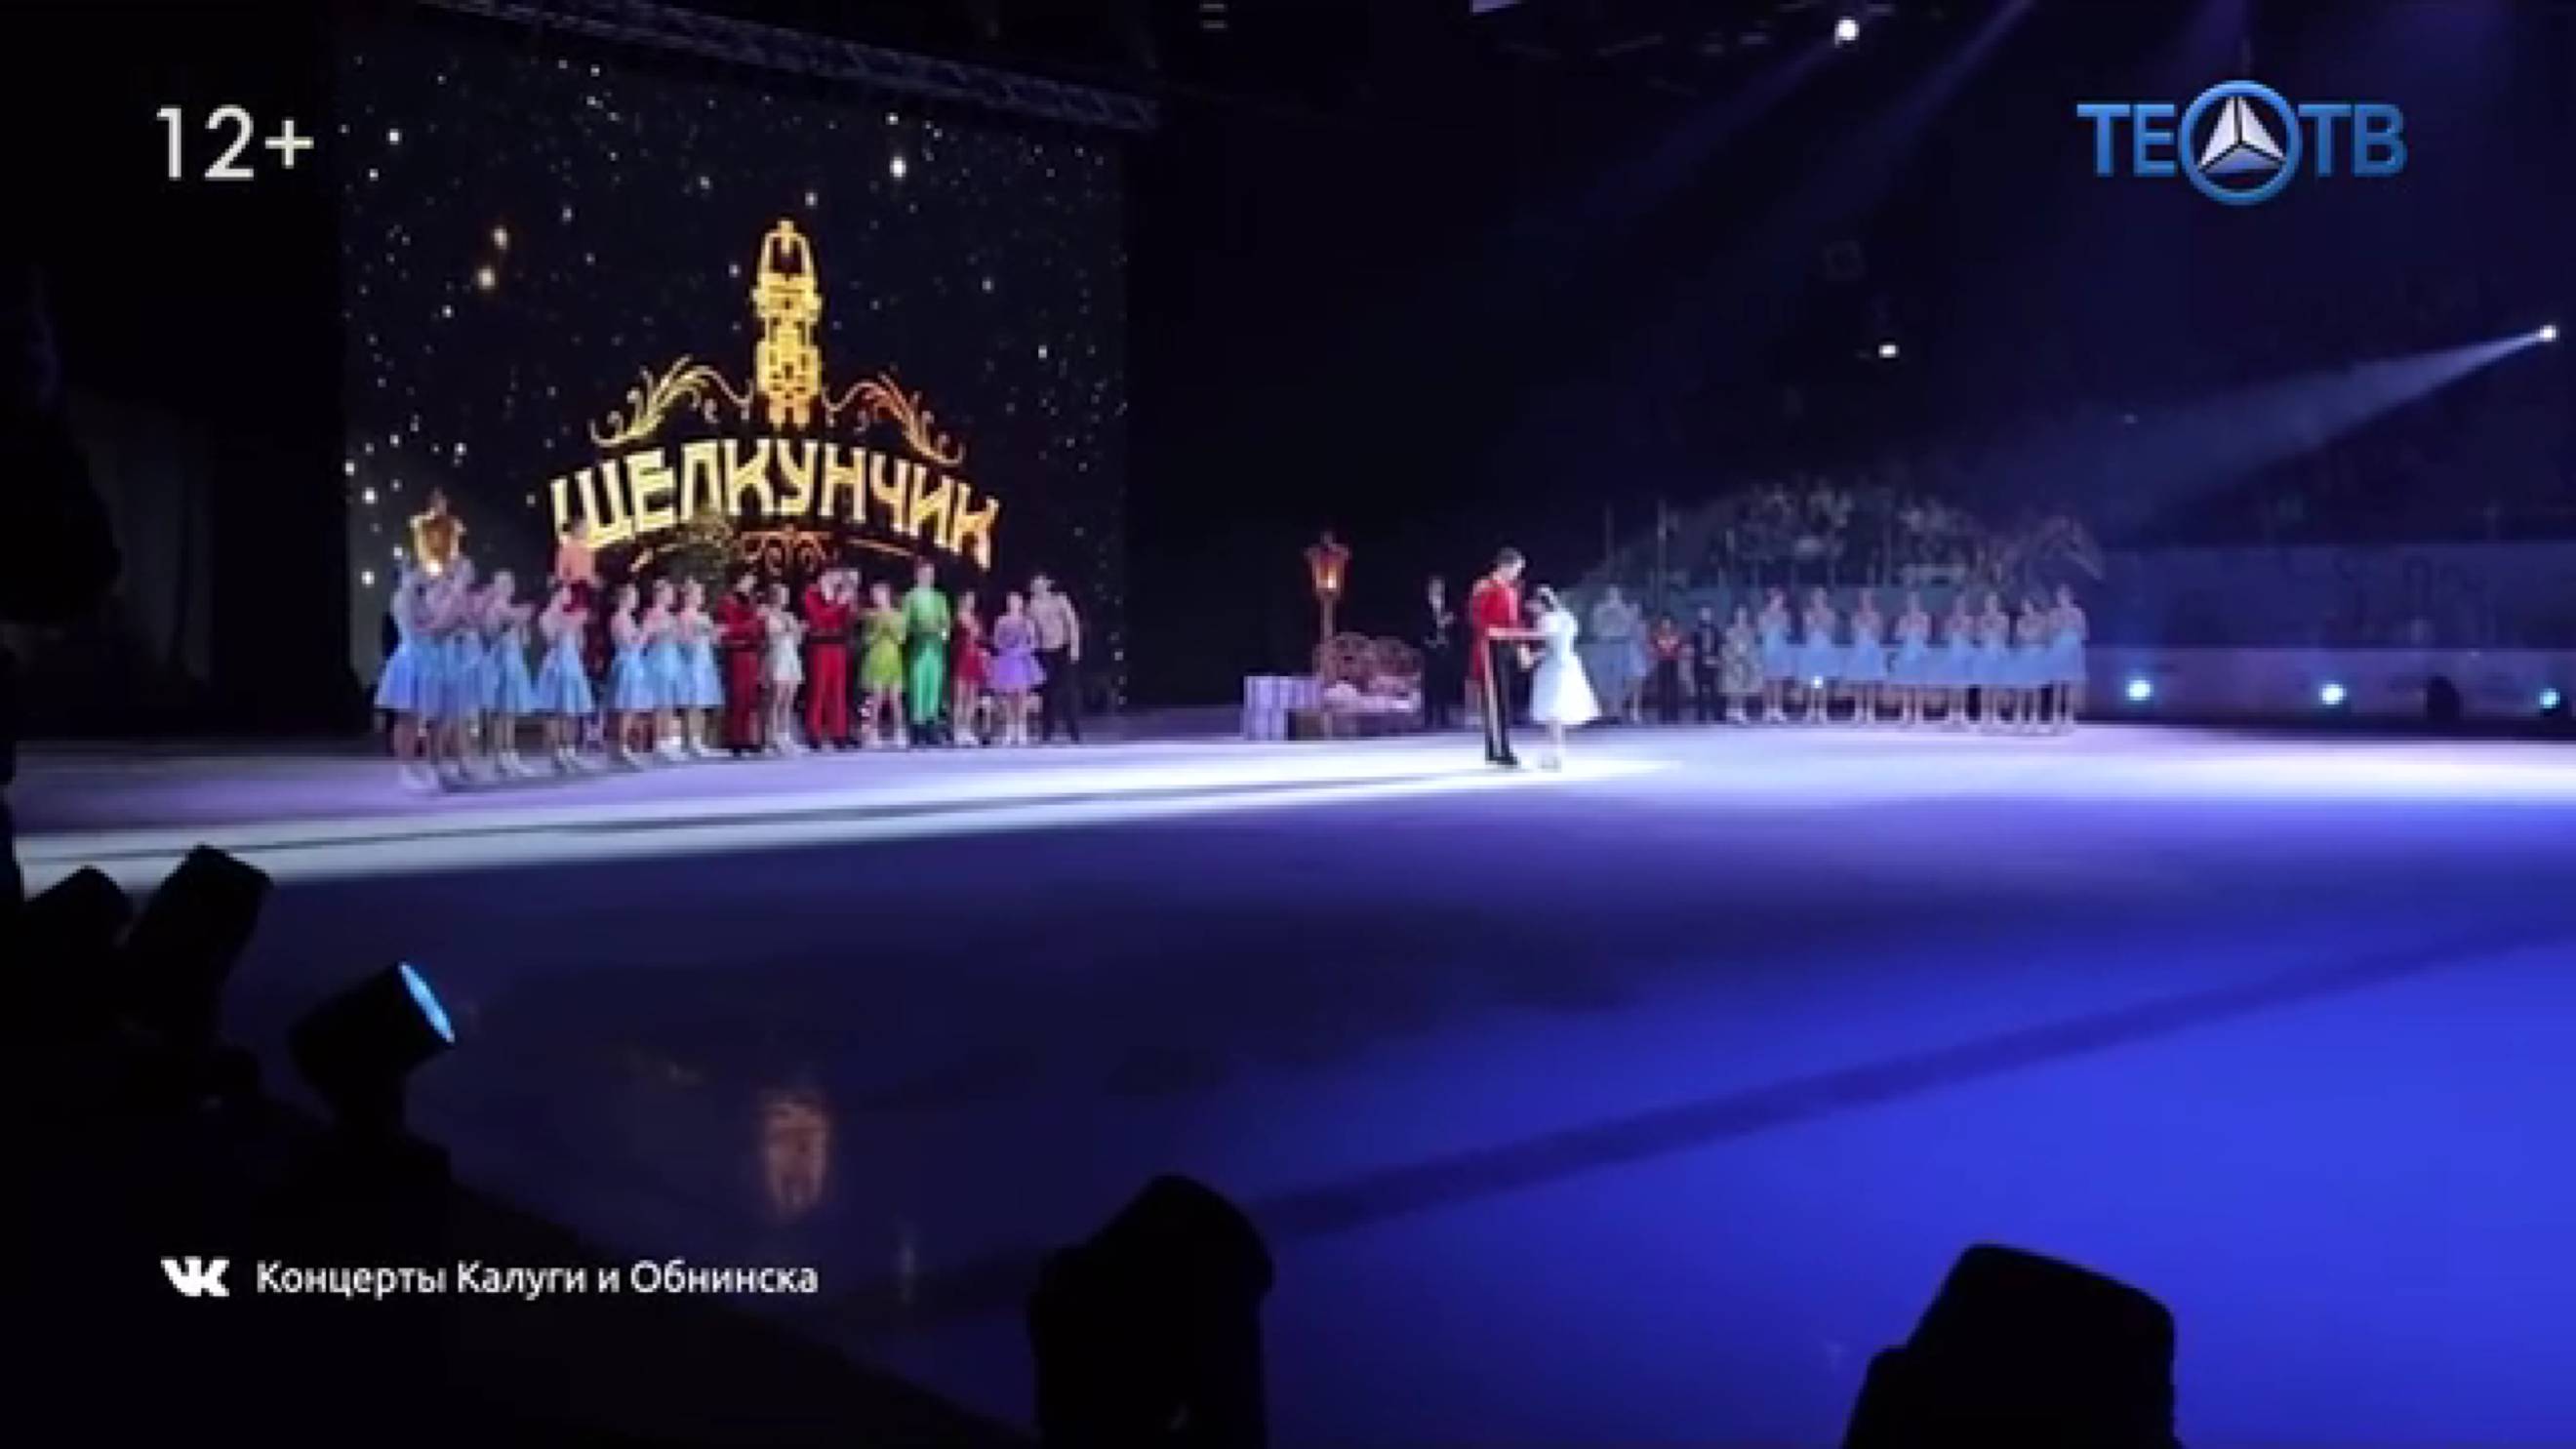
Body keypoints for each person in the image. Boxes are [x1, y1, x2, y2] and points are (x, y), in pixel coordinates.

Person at [373, 568, 437, 789]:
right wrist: (434, 625)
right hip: (408, 659)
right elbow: (412, 626)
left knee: (416, 718)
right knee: (405, 716)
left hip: (423, 659)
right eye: (419, 574)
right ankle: (404, 768)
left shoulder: (421, 598)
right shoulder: (401, 597)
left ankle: (412, 765)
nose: (424, 577)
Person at [1525, 586, 1600, 771]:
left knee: (1553, 711)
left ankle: (1557, 753)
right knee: (1555, 712)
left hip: (1555, 667)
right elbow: (1555, 645)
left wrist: (1520, 639)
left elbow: (1547, 640)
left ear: (1540, 603)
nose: (1530, 608)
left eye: (1532, 604)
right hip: (1568, 663)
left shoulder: (1547, 619)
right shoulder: (1566, 616)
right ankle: (1554, 751)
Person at [1467, 547, 1528, 767]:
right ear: (1504, 566)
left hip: (1505, 646)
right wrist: (1490, 630)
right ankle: (1499, 748)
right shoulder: (1485, 586)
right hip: (1489, 647)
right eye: (1516, 569)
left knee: (1503, 699)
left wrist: (1521, 646)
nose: (1517, 573)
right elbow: (1475, 616)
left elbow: (1515, 620)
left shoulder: (1511, 589)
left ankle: (1497, 747)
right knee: (1494, 700)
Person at [533, 583, 595, 773]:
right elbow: (552, 640)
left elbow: (579, 646)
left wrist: (579, 630)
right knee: (554, 711)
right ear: (557, 594)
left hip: (572, 663)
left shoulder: (570, 615)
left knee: (571, 710)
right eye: (566, 591)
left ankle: (570, 751)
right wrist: (568, 626)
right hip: (555, 665)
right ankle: (556, 753)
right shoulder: (546, 616)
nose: (569, 595)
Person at [483, 569, 539, 776]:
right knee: (501, 712)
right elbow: (490, 634)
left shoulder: (513, 610)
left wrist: (522, 625)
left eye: (510, 583)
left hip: (515, 661)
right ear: (495, 586)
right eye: (503, 583)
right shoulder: (494, 608)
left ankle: (511, 754)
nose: (507, 587)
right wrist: (514, 619)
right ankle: (500, 756)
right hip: (500, 662)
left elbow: (525, 642)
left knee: (511, 711)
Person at [1028, 573, 1084, 745]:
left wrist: (1075, 647)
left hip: (1063, 648)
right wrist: (1032, 648)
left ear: (1047, 585)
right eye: (1035, 585)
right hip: (1045, 650)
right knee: (1047, 691)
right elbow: (1032, 628)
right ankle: (1047, 730)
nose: (1038, 587)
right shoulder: (1032, 605)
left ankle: (1073, 730)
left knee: (1069, 690)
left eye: (1041, 584)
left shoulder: (1060, 600)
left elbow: (1072, 623)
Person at [902, 560, 952, 745]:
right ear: (917, 575)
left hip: (936, 648)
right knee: (918, 685)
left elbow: (946, 622)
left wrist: (942, 632)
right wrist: (919, 630)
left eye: (931, 573)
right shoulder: (910, 597)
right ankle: (917, 727)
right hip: (918, 647)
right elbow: (905, 624)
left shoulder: (940, 597)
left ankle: (932, 726)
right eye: (924, 573)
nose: (928, 577)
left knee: (934, 685)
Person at [802, 569, 853, 749]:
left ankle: (839, 733)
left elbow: (846, 622)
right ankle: (813, 732)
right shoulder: (811, 594)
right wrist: (838, 604)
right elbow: (817, 619)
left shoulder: (839, 593)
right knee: (819, 689)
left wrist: (848, 605)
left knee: (838, 690)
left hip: (838, 646)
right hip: (820, 646)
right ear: (825, 575)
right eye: (835, 575)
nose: (838, 579)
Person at [989, 590, 1045, 746]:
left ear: (1021, 604)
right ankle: (1009, 730)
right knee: (1009, 698)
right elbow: (996, 640)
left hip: (1022, 660)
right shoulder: (1002, 620)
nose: (1013, 604)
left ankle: (1022, 731)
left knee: (1022, 697)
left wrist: (1024, 649)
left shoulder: (1027, 621)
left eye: (1016, 601)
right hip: (1007, 660)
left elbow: (1034, 642)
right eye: (1011, 601)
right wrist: (1004, 648)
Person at [677, 578, 725, 758]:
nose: (701, 597)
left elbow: (714, 641)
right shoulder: (684, 615)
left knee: (702, 701)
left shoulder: (703, 616)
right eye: (698, 594)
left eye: (701, 594)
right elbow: (683, 641)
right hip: (692, 662)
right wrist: (698, 633)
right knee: (693, 702)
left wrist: (715, 633)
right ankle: (689, 740)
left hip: (704, 660)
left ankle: (698, 739)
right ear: (688, 597)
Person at [605, 583, 651, 765]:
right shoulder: (620, 618)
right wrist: (645, 630)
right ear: (624, 599)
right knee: (626, 706)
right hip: (627, 663)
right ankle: (621, 746)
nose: (636, 601)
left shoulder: (627, 618)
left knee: (629, 706)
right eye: (633, 597)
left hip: (631, 662)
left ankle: (621, 746)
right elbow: (630, 645)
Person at [1585, 584, 1643, 725]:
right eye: (1610, 593)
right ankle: (1605, 711)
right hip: (1605, 645)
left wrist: (1619, 608)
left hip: (1624, 645)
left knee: (1631, 678)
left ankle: (1624, 711)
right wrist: (1607, 610)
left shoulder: (1631, 608)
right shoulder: (1599, 608)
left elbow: (1631, 625)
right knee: (1603, 680)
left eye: (1616, 593)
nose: (1612, 595)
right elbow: (1595, 628)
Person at [860, 577, 907, 748]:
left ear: (887, 594)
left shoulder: (899, 616)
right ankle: (872, 734)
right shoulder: (870, 616)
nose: (876, 597)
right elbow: (866, 641)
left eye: (879, 594)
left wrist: (891, 629)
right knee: (877, 697)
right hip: (876, 658)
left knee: (895, 698)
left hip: (893, 658)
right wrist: (878, 630)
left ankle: (899, 733)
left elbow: (902, 640)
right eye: (874, 594)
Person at [641, 579, 687, 761]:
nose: (672, 596)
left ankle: (667, 740)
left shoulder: (670, 615)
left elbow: (679, 638)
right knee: (660, 702)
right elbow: (648, 637)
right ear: (659, 595)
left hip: (671, 659)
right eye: (669, 593)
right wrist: (661, 631)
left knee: (669, 702)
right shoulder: (653, 613)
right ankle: (658, 742)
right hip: (658, 660)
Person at [761, 582, 806, 755]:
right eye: (782, 595)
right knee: (775, 699)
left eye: (786, 595)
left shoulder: (789, 615)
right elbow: (770, 638)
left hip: (790, 656)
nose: (785, 598)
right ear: (774, 596)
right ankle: (770, 738)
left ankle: (784, 735)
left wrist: (797, 631)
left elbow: (797, 640)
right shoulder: (767, 614)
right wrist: (787, 630)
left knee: (789, 698)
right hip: (777, 655)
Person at [950, 590, 990, 746]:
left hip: (975, 658)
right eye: (968, 599)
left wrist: (982, 644)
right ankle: (956, 731)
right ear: (962, 600)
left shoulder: (977, 618)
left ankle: (966, 729)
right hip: (961, 658)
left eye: (972, 599)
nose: (970, 602)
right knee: (960, 697)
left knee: (972, 697)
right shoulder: (955, 618)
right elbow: (951, 638)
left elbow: (983, 638)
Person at [1421, 576, 1459, 731]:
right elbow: (1420, 627)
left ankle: (1444, 717)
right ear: (1429, 588)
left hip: (1445, 648)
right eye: (1435, 586)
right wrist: (1431, 639)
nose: (1438, 589)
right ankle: (1428, 718)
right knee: (1429, 683)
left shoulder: (1447, 605)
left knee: (1444, 681)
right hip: (1430, 648)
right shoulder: (1423, 606)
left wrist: (1448, 623)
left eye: (1440, 586)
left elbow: (1455, 623)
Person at [1891, 590, 1933, 729]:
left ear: (1918, 603)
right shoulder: (1903, 619)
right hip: (1906, 654)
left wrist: (1918, 626)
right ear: (1907, 603)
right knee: (1906, 685)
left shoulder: (1924, 618)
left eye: (1914, 601)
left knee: (1919, 685)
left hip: (1920, 653)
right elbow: (1897, 636)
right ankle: (1906, 714)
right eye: (1910, 601)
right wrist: (1905, 628)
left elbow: (1927, 635)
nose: (1912, 604)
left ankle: (1919, 715)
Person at [1798, 588, 1841, 726]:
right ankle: (1811, 710)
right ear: (1812, 599)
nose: (1818, 599)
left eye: (1821, 597)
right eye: (1816, 597)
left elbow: (1830, 631)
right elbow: (1807, 632)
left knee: (1822, 682)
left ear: (1824, 598)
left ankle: (1822, 711)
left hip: (1825, 650)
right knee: (1813, 682)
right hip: (1812, 649)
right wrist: (1813, 622)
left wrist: (1820, 620)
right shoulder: (1808, 613)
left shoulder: (1830, 614)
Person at [1845, 589, 1887, 727]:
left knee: (1870, 683)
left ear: (1872, 600)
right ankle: (1858, 712)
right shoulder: (1855, 616)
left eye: (1867, 598)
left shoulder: (1877, 616)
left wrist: (1870, 624)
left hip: (1872, 650)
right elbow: (1852, 635)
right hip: (1858, 650)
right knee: (1858, 682)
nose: (1865, 601)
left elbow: (1879, 635)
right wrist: (1859, 624)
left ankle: (1870, 713)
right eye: (1863, 599)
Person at [2049, 584, 2088, 732]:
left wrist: (2072, 631)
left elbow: (2084, 634)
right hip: (2058, 649)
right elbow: (2050, 633)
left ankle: (2069, 716)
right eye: (2059, 597)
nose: (2061, 599)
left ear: (2070, 597)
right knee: (2058, 684)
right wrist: (2060, 627)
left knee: (2071, 684)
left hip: (2073, 649)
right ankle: (2055, 716)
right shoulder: (2054, 614)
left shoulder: (2078, 613)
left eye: (2064, 596)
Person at [409, 487, 465, 580]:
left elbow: (458, 535)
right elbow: (415, 524)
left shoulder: (451, 522)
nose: (440, 506)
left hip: (442, 554)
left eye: (442, 503)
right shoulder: (424, 521)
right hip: (433, 553)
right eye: (437, 503)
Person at [1938, 597, 1978, 730]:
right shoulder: (1949, 620)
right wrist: (1952, 628)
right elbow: (1945, 637)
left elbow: (1972, 636)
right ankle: (1950, 714)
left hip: (1964, 655)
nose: (1959, 607)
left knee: (1963, 687)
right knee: (1952, 687)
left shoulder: (1969, 620)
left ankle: (1962, 714)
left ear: (1965, 606)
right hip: (1952, 655)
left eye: (1961, 605)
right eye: (1957, 605)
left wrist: (1963, 627)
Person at [1757, 588, 1795, 724]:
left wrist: (1782, 624)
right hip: (1768, 649)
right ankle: (1767, 710)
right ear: (1772, 600)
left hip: (1780, 649)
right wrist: (1770, 620)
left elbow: (1788, 632)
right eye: (1779, 599)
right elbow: (1761, 632)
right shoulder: (1763, 615)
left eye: (1782, 599)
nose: (1781, 601)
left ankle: (1778, 709)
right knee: (1767, 681)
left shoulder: (1785, 615)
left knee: (1778, 681)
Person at [1720, 604, 1759, 725]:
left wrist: (1750, 660)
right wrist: (1730, 658)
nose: (1741, 615)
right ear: (1735, 615)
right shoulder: (1729, 630)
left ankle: (1741, 711)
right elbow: (1725, 647)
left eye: (1743, 613)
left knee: (1743, 688)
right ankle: (1731, 711)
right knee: (1732, 688)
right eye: (1739, 613)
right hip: (1732, 661)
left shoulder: (1750, 630)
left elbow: (1753, 646)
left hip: (1745, 661)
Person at [1689, 604, 1723, 724]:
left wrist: (1716, 659)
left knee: (1715, 689)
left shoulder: (1716, 629)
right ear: (1700, 615)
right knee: (1699, 690)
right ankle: (1701, 716)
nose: (1706, 615)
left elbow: (1720, 645)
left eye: (1708, 613)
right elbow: (1691, 647)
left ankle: (1717, 715)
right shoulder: (1695, 629)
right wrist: (1702, 657)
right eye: (1703, 613)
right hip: (1699, 662)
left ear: (1711, 614)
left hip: (1713, 661)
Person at [1648, 614, 1685, 724]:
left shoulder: (1677, 634)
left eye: (1668, 622)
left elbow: (1681, 647)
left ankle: (1674, 714)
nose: (1666, 624)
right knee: (1662, 688)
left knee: (1674, 688)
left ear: (1671, 623)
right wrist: (1658, 653)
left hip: (1673, 662)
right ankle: (1662, 714)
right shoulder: (1656, 635)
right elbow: (1653, 648)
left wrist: (1676, 652)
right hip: (1662, 662)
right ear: (1661, 624)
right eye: (1664, 622)